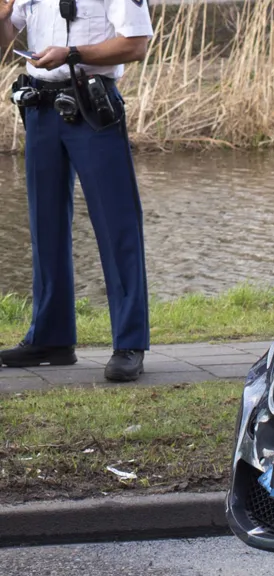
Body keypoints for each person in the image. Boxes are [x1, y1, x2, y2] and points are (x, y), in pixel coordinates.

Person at [0, 0, 152, 382]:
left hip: (91, 103)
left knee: (117, 227)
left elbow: (135, 44)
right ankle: (51, 339)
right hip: (40, 107)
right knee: (44, 226)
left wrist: (71, 54)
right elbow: (6, 45)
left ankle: (129, 343)